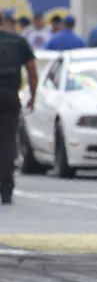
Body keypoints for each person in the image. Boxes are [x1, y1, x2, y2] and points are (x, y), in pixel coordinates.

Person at [1, 25, 37, 204]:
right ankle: (6, 189)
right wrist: (33, 97)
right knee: (7, 143)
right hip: (9, 95)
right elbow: (32, 70)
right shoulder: (18, 41)